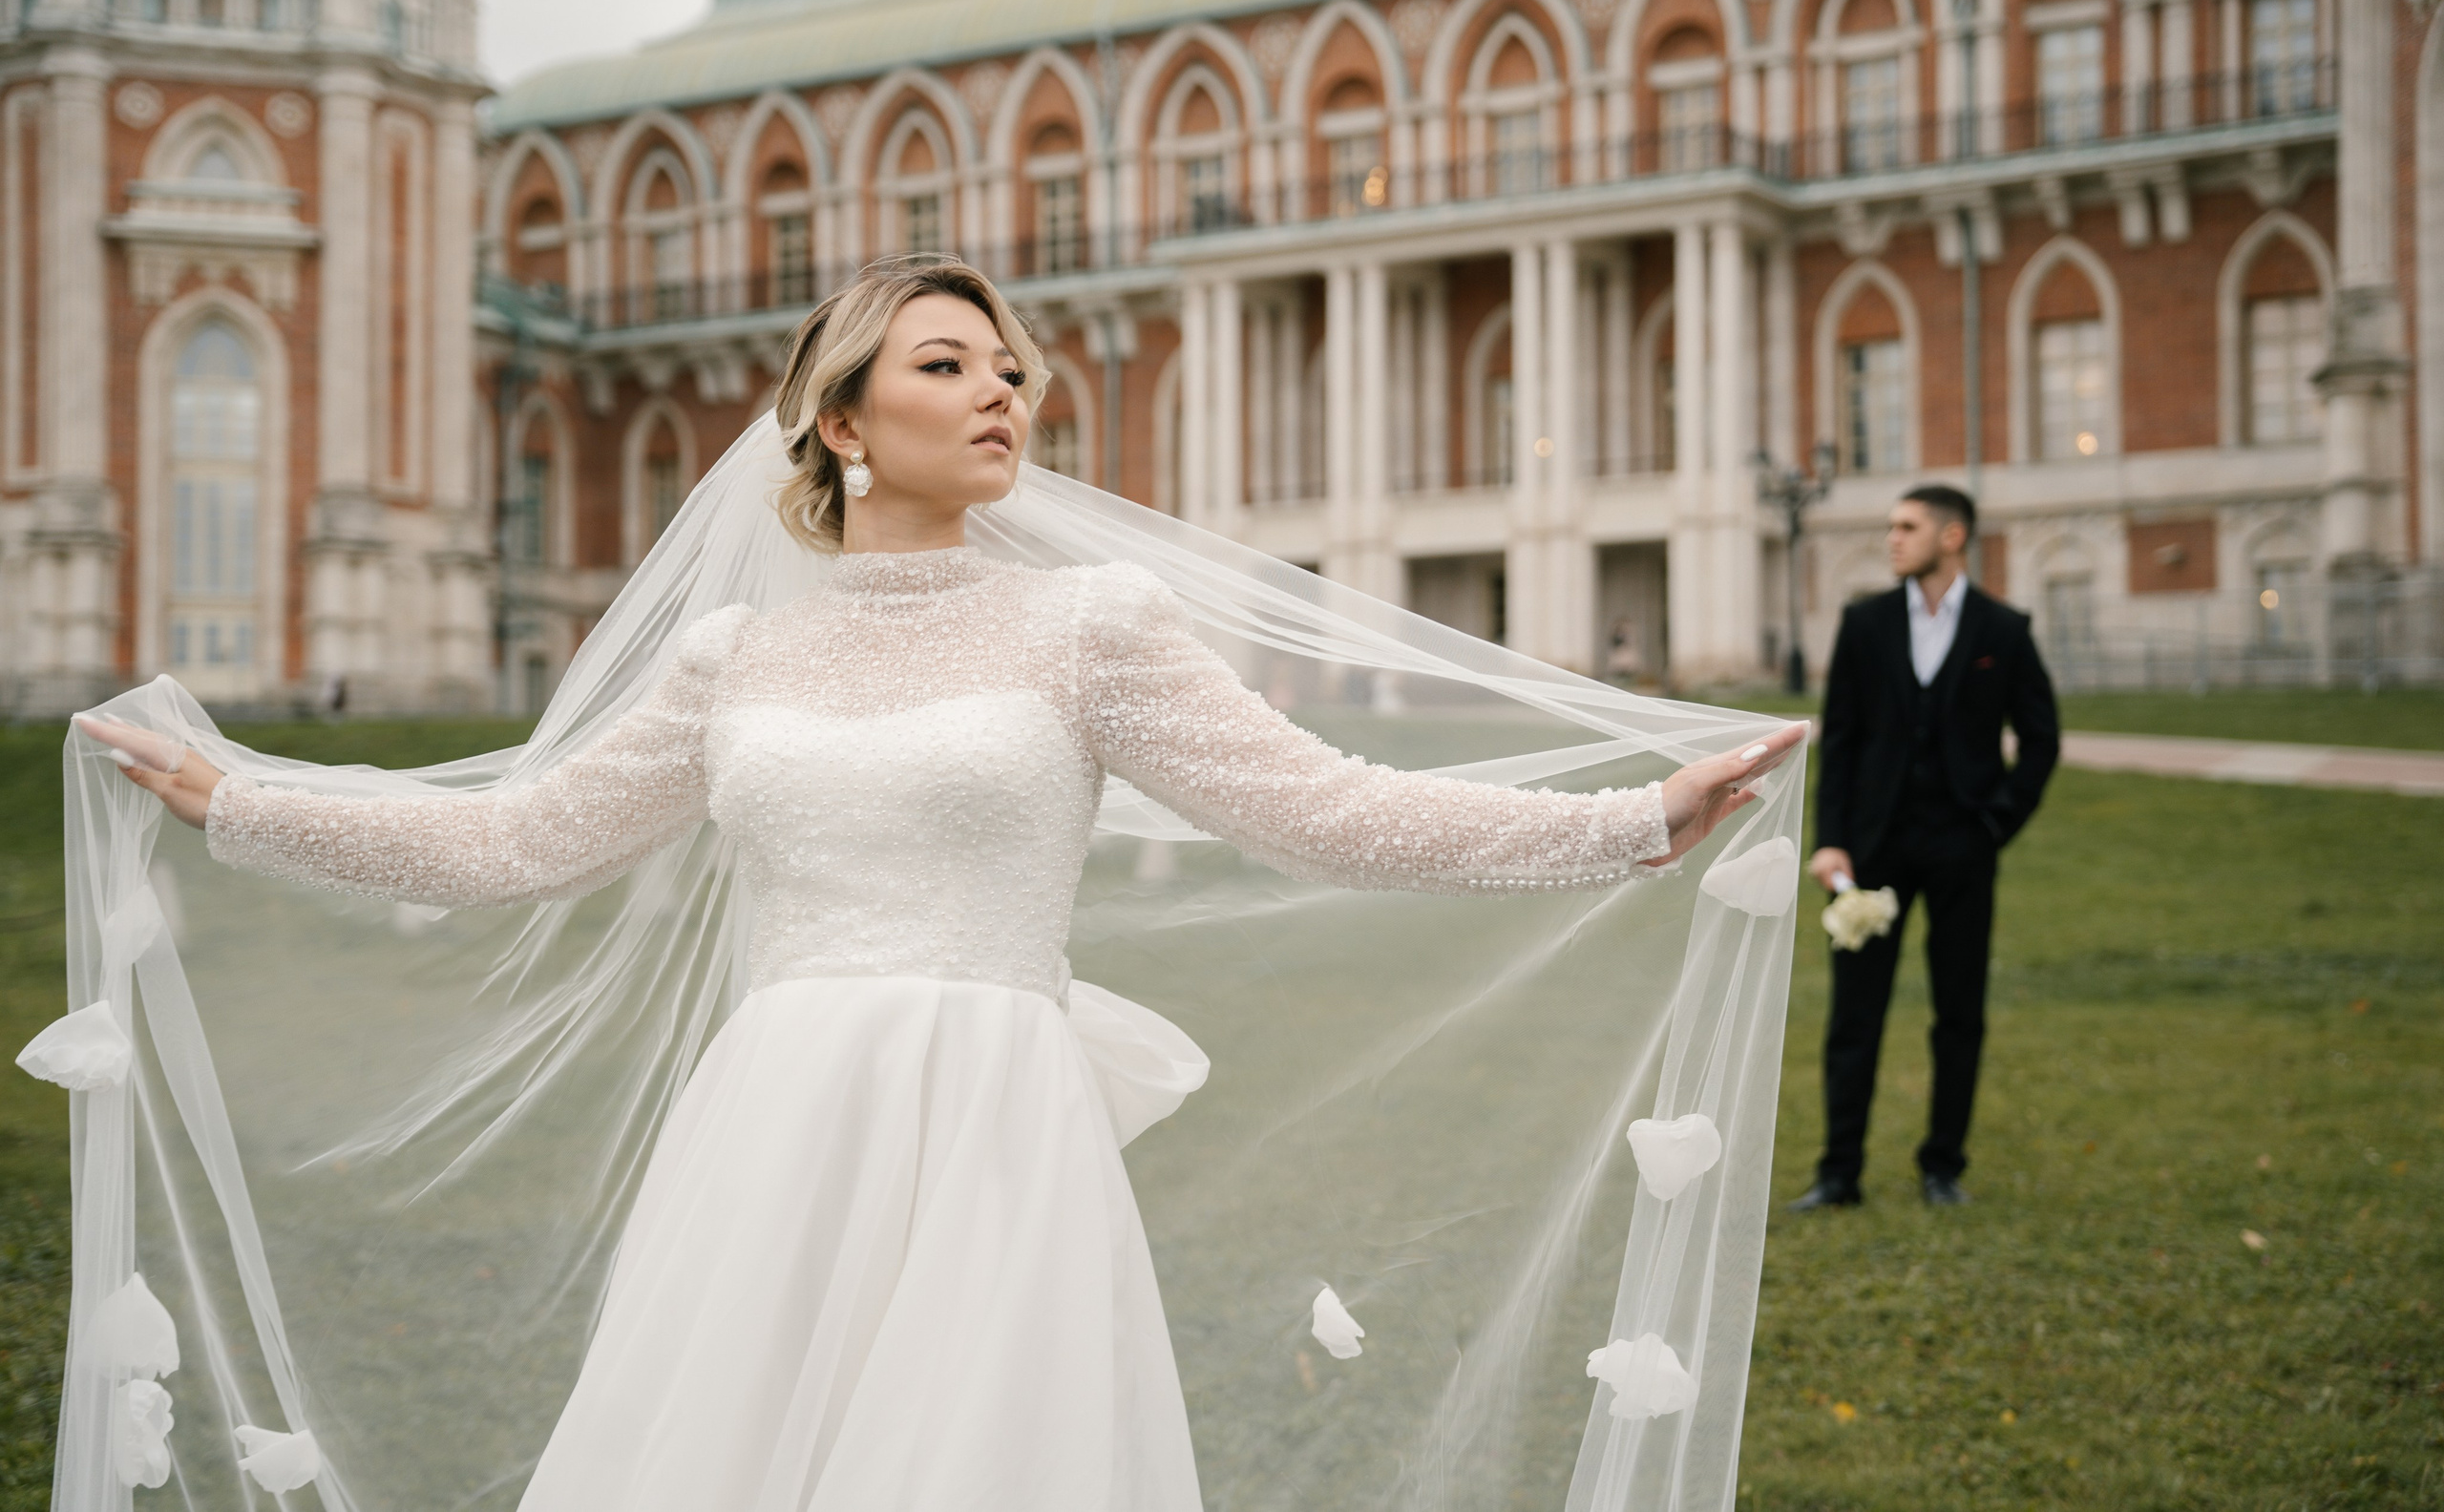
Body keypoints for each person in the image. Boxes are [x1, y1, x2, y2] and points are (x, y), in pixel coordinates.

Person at [82, 258, 1805, 1511]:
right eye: (948, 364)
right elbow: (507, 840)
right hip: (775, 1129)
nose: (1004, 392)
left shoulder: (1089, 625)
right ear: (840, 420)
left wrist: (1626, 819)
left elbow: (1329, 812)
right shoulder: (732, 653)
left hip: (995, 1124)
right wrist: (242, 796)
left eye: (1011, 368)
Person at [1794, 485, 2058, 1210]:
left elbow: (2041, 737)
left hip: (1962, 850)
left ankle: (1942, 1165)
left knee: (1959, 1010)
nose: (1892, 539)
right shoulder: (1864, 622)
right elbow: (1840, 740)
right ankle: (1838, 1173)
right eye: (1890, 527)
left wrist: (1996, 822)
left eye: (1907, 526)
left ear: (1953, 536)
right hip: (1871, 848)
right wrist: (1830, 843)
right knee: (1855, 1015)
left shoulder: (2004, 629)